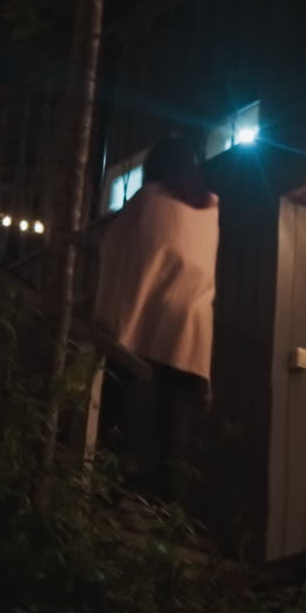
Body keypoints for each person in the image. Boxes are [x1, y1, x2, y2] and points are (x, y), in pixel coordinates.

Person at [94, 135, 219, 504]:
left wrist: (113, 318)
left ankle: (111, 489)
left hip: (143, 316)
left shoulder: (148, 201)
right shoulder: (210, 208)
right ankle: (169, 510)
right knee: (176, 421)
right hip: (190, 328)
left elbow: (119, 251)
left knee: (120, 403)